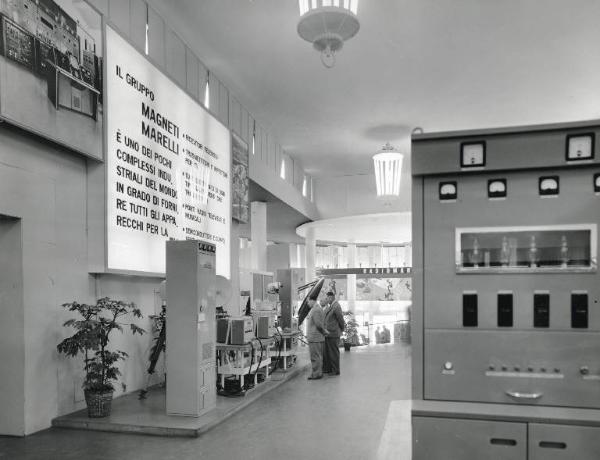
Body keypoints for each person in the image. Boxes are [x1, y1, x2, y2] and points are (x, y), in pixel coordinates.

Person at [306, 294, 329, 380]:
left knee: (315, 357)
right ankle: (318, 372)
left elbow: (318, 324)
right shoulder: (317, 309)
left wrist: (324, 332)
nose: (308, 304)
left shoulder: (316, 310)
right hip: (317, 337)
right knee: (318, 356)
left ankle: (316, 374)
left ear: (312, 301)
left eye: (308, 301)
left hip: (315, 338)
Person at [322, 291, 345, 375]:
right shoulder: (330, 306)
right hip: (328, 334)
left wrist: (342, 329)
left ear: (331, 297)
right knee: (328, 353)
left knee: (333, 353)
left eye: (327, 298)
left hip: (334, 333)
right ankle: (329, 369)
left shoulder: (336, 306)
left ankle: (335, 370)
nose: (326, 299)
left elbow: (340, 319)